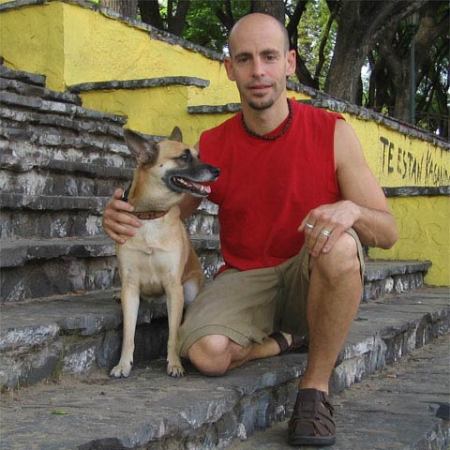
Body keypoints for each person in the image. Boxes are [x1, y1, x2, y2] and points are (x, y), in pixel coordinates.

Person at [102, 13, 398, 447]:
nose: (258, 71)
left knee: (339, 246)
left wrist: (351, 210)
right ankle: (285, 339)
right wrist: (124, 212)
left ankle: (314, 391)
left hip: (309, 269)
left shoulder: (333, 133)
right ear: (229, 69)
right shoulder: (215, 146)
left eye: (269, 57)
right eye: (245, 59)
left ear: (289, 63)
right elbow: (171, 212)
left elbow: (387, 232)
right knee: (204, 353)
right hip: (246, 279)